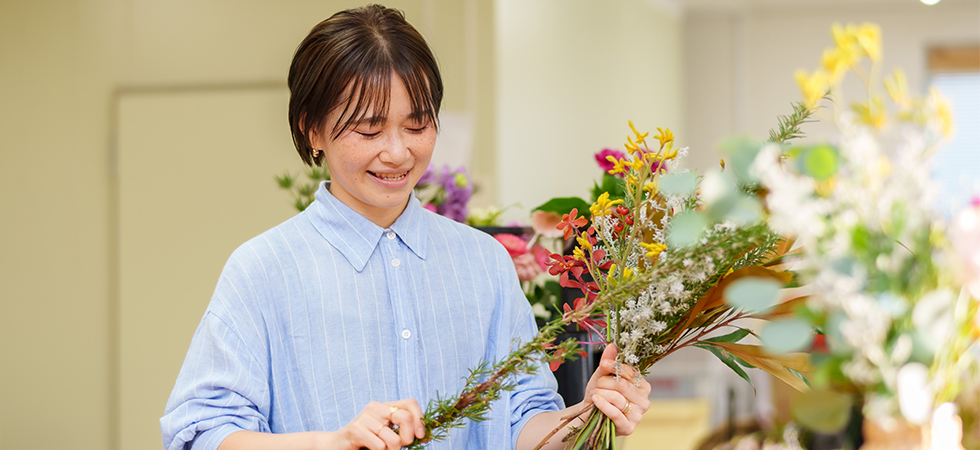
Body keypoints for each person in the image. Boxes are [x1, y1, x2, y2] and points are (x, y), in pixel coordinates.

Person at [160, 5, 651, 450]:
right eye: (369, 129)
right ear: (312, 128)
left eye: (417, 126)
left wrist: (588, 417)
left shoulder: (482, 263)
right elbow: (204, 432)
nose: (397, 152)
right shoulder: (264, 270)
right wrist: (331, 444)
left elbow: (520, 422)